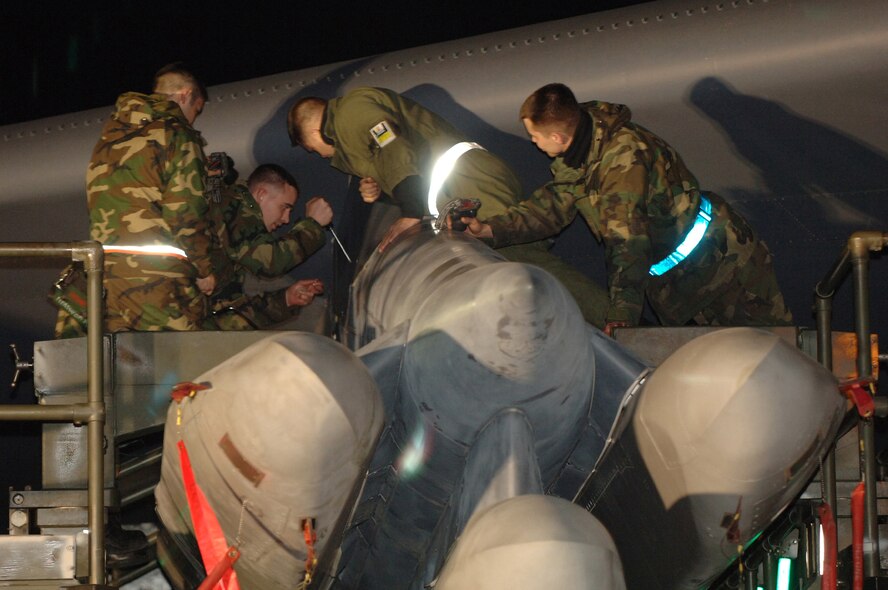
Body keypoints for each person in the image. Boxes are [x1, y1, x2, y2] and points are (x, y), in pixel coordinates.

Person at [461, 83, 793, 328]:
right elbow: (552, 205)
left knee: (775, 355)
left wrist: (622, 315)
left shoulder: (623, 163)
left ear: (559, 138)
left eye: (535, 136)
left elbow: (627, 244)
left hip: (722, 266)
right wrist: (490, 229)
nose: (533, 142)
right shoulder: (582, 149)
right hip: (679, 282)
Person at [287, 86, 609, 327]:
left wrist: (410, 213)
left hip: (469, 182)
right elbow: (399, 159)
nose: (320, 156)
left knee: (522, 263)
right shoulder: (350, 127)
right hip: (459, 186)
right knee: (507, 272)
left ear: (314, 132)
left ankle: (614, 322)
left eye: (312, 149)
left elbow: (393, 147)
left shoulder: (352, 112)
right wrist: (378, 189)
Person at [54, 62, 219, 338]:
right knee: (179, 367)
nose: (193, 119)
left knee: (107, 370)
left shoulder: (110, 136)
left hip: (101, 277)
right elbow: (185, 215)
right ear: (184, 95)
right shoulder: (177, 132)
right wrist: (204, 270)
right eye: (196, 110)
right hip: (154, 279)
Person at [204, 161, 333, 329]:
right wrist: (313, 224)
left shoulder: (234, 224)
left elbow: (227, 317)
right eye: (284, 207)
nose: (286, 219)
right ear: (261, 194)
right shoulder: (233, 206)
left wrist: (286, 299)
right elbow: (270, 261)